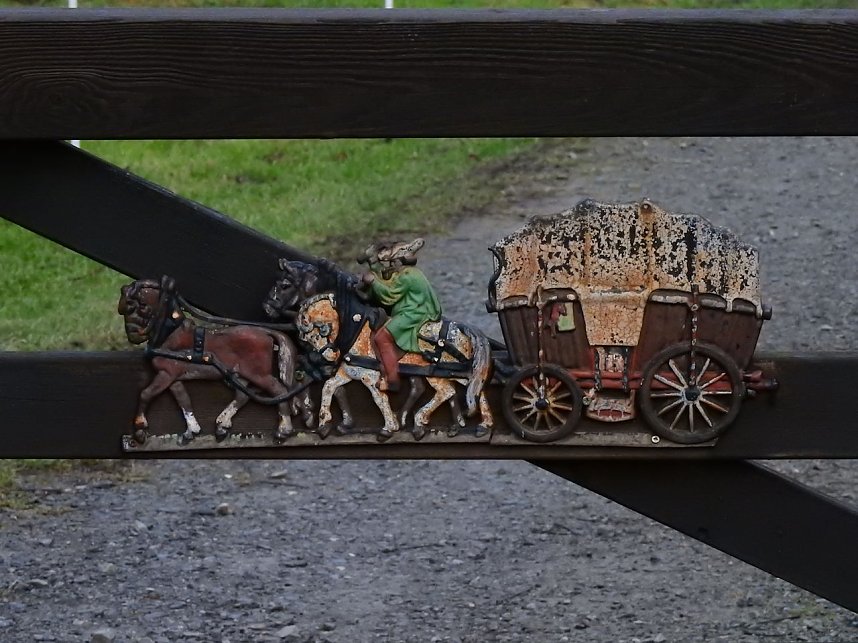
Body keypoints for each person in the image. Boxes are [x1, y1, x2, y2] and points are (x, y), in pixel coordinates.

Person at [359, 238, 442, 392]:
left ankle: (392, 379)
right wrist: (374, 267)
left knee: (382, 338)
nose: (390, 265)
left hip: (415, 314)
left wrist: (373, 281)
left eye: (392, 262)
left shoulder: (407, 275)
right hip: (409, 311)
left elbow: (390, 294)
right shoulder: (405, 273)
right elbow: (387, 283)